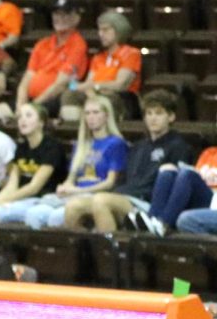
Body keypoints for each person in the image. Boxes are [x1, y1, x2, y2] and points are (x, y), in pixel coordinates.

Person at [65, 90, 192, 232]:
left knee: (101, 200)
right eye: (148, 114)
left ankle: (111, 251)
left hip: (147, 202)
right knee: (73, 206)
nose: (152, 118)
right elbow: (123, 178)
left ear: (171, 117)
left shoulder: (178, 146)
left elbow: (174, 186)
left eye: (158, 113)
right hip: (125, 195)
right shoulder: (138, 146)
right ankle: (85, 250)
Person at [23, 95, 127, 229]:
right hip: (75, 193)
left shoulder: (115, 143)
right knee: (34, 213)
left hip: (96, 195)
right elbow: (71, 178)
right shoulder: (81, 144)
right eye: (87, 113)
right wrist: (65, 187)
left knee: (56, 216)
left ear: (106, 115)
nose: (91, 117)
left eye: (96, 112)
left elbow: (110, 182)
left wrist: (78, 190)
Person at [0, 102, 67, 223]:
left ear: (41, 122)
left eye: (28, 115)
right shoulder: (21, 148)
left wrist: (0, 202)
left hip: (41, 199)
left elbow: (34, 187)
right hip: (19, 198)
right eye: (20, 117)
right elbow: (12, 184)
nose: (22, 120)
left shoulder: (52, 147)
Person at [59, 10, 142, 122]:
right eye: (99, 30)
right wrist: (73, 86)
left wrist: (95, 87)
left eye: (105, 30)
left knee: (104, 100)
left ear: (118, 31)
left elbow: (120, 85)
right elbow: (88, 82)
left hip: (120, 98)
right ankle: (75, 132)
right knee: (70, 94)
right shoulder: (98, 58)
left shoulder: (131, 53)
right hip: (95, 94)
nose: (100, 34)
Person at [13, 0, 89, 117]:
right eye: (56, 14)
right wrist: (20, 104)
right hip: (31, 100)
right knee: (0, 110)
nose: (60, 18)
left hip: (52, 99)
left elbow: (61, 84)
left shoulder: (77, 45)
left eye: (66, 14)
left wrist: (33, 106)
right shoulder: (42, 44)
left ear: (76, 18)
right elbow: (27, 78)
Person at [132, 131, 217, 236]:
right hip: (203, 199)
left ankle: (164, 223)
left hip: (214, 203)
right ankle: (151, 220)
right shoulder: (209, 153)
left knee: (187, 175)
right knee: (167, 173)